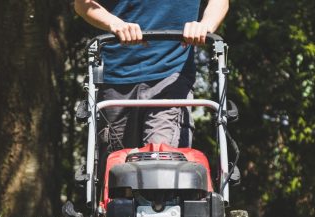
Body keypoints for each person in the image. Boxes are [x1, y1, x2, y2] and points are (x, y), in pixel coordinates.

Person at [75, 0, 229, 155]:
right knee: (117, 167)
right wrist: (115, 23)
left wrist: (205, 25)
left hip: (171, 74)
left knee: (162, 161)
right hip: (116, 77)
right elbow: (82, 4)